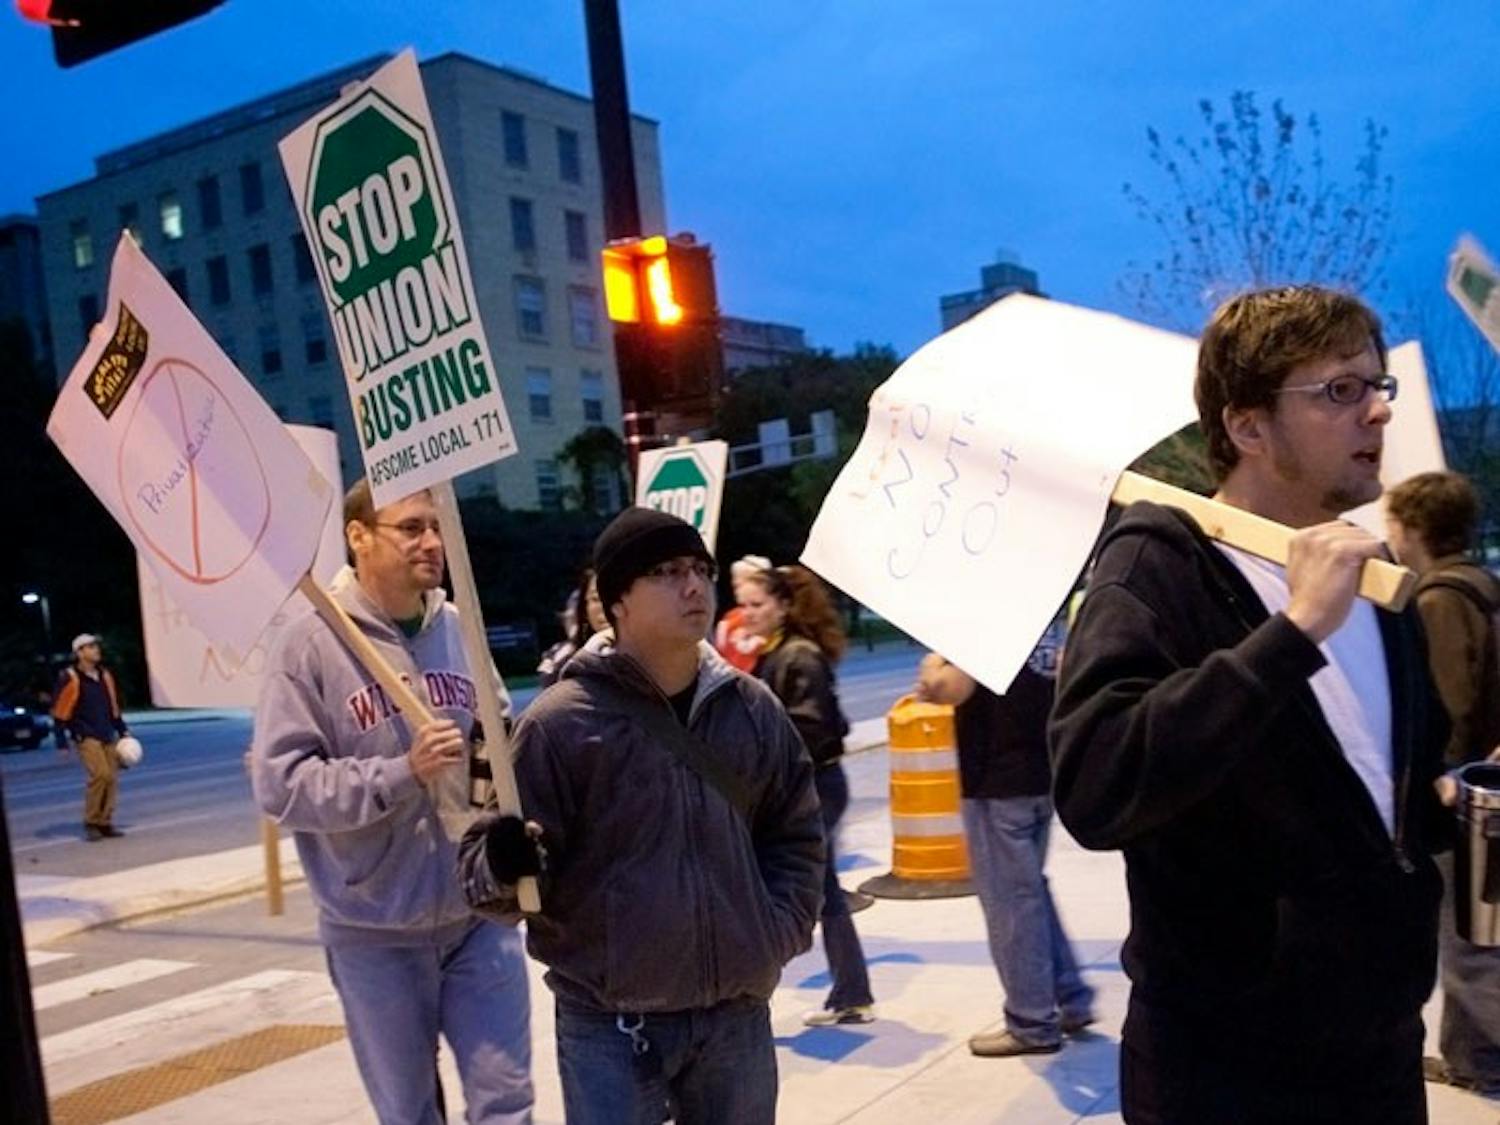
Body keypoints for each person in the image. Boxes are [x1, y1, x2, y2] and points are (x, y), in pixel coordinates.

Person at [1050, 286, 1450, 1124]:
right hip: (1228, 1075)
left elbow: (1378, 794)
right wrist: (1293, 632)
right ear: (1248, 427)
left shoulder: (1376, 582)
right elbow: (1099, 782)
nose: (1378, 412)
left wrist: (1443, 803)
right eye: (1341, 390)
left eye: (1380, 386)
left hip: (1379, 1057)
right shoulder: (1160, 563)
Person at [458, 508, 823, 1125]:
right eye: (666, 572)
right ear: (617, 599)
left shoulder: (752, 709)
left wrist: (773, 932)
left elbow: (796, 834)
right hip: (611, 1028)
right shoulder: (561, 725)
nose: (694, 586)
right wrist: (504, 861)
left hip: (735, 1018)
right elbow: (486, 881)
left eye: (700, 569)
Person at [251, 480, 533, 1125]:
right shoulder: (308, 642)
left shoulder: (459, 629)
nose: (432, 542)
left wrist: (504, 817)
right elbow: (282, 785)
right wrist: (401, 773)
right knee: (407, 1113)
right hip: (372, 931)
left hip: (476, 917)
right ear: (358, 537)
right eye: (411, 528)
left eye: (437, 527)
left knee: (507, 1102)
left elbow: (498, 738)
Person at [916, 623, 1095, 1057]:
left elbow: (944, 687)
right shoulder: (1044, 614)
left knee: (1011, 902)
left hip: (996, 781)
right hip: (1042, 771)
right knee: (1029, 891)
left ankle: (1032, 1021)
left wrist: (936, 657)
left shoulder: (985, 619)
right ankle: (1069, 997)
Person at [1386, 469, 1500, 1093]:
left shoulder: (1437, 599)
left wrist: (1433, 780)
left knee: (1468, 951)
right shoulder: (1484, 584)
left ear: (1415, 528)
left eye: (1395, 523)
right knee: (1477, 937)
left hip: (1469, 797)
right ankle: (1471, 1060)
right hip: (1492, 785)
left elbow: (1447, 708)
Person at [739, 563, 875, 1026]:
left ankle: (754, 994)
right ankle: (851, 994)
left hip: (815, 788)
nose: (747, 613)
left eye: (757, 604)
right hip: (808, 787)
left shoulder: (798, 656)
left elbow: (815, 729)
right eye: (744, 605)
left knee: (798, 887)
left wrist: (761, 746)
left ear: (782, 605)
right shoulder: (779, 652)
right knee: (822, 889)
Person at [51, 632, 129, 841]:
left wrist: (123, 731)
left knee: (111, 779)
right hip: (86, 735)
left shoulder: (105, 675)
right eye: (91, 647)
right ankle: (91, 821)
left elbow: (113, 706)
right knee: (100, 775)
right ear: (80, 652)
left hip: (107, 732)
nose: (97, 650)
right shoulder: (71, 677)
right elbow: (59, 711)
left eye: (96, 646)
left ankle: (105, 822)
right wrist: (61, 742)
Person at [537, 567, 610, 688]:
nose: (604, 607)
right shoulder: (565, 659)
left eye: (612, 597)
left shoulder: (645, 655)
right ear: (584, 610)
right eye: (595, 599)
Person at [713, 553, 772, 672]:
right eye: (735, 586)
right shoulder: (729, 619)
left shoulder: (771, 620)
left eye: (742, 585)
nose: (738, 592)